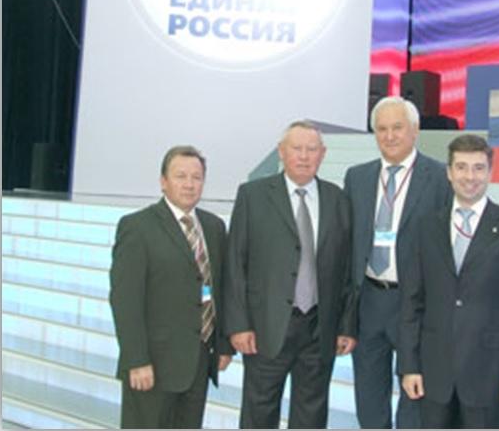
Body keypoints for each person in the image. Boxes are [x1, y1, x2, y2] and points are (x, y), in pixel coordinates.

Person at [399, 134, 499, 429]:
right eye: (462, 167)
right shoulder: (426, 226)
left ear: (490, 172)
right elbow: (412, 301)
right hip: (434, 374)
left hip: (489, 375)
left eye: (478, 168)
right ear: (449, 172)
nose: (470, 177)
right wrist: (409, 366)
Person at [224, 120, 357, 429]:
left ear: (323, 154)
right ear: (281, 152)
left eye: (312, 149)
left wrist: (347, 326)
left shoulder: (338, 199)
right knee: (259, 414)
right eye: (296, 148)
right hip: (265, 328)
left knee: (312, 415)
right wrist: (239, 325)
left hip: (320, 329)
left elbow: (347, 269)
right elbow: (235, 264)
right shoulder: (253, 195)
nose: (304, 156)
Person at [344, 97, 452, 428]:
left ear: (415, 131)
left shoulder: (440, 177)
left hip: (416, 304)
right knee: (369, 397)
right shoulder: (357, 177)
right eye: (382, 129)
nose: (389, 136)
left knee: (415, 398)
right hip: (370, 301)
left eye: (397, 127)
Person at [109, 145, 233, 428]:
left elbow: (218, 289)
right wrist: (136, 360)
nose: (189, 184)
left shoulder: (213, 227)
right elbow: (125, 300)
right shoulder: (138, 227)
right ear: (163, 182)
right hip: (153, 365)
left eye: (196, 177)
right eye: (181, 176)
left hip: (198, 362)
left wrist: (222, 344)